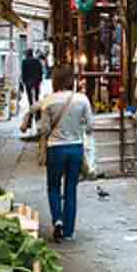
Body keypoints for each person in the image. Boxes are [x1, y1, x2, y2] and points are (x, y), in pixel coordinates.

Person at [24, 63, 93, 242]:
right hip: (76, 148)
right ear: (72, 79)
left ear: (55, 80)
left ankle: (58, 221)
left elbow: (44, 129)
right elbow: (90, 126)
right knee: (71, 189)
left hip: (55, 149)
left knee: (53, 186)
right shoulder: (82, 99)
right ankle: (69, 232)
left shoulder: (49, 101)